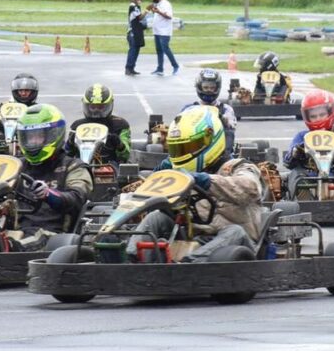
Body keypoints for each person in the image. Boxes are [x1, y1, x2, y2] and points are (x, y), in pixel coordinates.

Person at [125, 106, 263, 263]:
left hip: (235, 245)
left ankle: (188, 266)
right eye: (179, 149)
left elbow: (249, 189)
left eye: (189, 148)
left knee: (235, 231)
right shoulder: (180, 172)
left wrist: (206, 181)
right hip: (193, 236)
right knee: (156, 218)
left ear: (210, 139)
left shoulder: (239, 166)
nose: (183, 154)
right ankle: (131, 260)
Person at [13, 104, 93, 250]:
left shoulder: (73, 167)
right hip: (17, 230)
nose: (33, 142)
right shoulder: (16, 166)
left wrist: (48, 194)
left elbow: (77, 197)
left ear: (54, 135)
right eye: (29, 138)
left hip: (52, 235)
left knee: (21, 244)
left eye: (39, 137)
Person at [282, 91, 334, 199]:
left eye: (322, 115)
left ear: (331, 112)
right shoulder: (302, 136)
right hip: (310, 178)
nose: (318, 119)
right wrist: (296, 153)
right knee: (295, 172)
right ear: (307, 117)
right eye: (313, 116)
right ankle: (303, 199)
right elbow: (288, 162)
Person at [65, 83, 131, 166]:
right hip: (81, 166)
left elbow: (126, 155)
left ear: (109, 105)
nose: (96, 111)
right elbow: (67, 154)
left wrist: (119, 143)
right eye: (93, 107)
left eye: (100, 107)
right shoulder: (77, 126)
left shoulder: (120, 125)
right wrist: (70, 143)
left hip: (110, 165)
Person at [186, 68, 237, 154]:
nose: (209, 90)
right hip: (194, 147)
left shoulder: (225, 109)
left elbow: (231, 125)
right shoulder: (189, 109)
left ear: (217, 88)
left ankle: (226, 158)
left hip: (218, 148)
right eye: (205, 87)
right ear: (199, 87)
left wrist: (223, 119)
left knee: (229, 133)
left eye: (212, 87)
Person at [0, 72, 40, 152]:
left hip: (29, 140)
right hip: (5, 141)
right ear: (15, 91)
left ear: (33, 92)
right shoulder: (5, 106)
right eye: (20, 91)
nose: (23, 93)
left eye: (27, 91)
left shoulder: (38, 109)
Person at [149, 0, 179, 76]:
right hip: (157, 31)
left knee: (165, 48)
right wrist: (154, 10)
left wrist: (158, 12)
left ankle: (175, 66)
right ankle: (160, 68)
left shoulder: (166, 4)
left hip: (164, 32)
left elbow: (169, 16)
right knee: (159, 50)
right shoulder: (158, 4)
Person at [125, 0, 146, 76]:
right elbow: (139, 17)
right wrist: (147, 10)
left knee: (136, 50)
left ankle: (132, 68)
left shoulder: (136, 6)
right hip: (132, 32)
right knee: (133, 50)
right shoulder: (133, 6)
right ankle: (128, 68)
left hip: (136, 32)